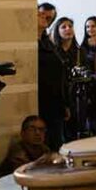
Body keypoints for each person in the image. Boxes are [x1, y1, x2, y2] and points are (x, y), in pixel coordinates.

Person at [38, 11, 68, 150]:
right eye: (38, 14)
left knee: (57, 145)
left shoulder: (48, 43)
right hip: (43, 101)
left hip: (55, 102)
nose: (43, 16)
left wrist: (64, 104)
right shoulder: (31, 45)